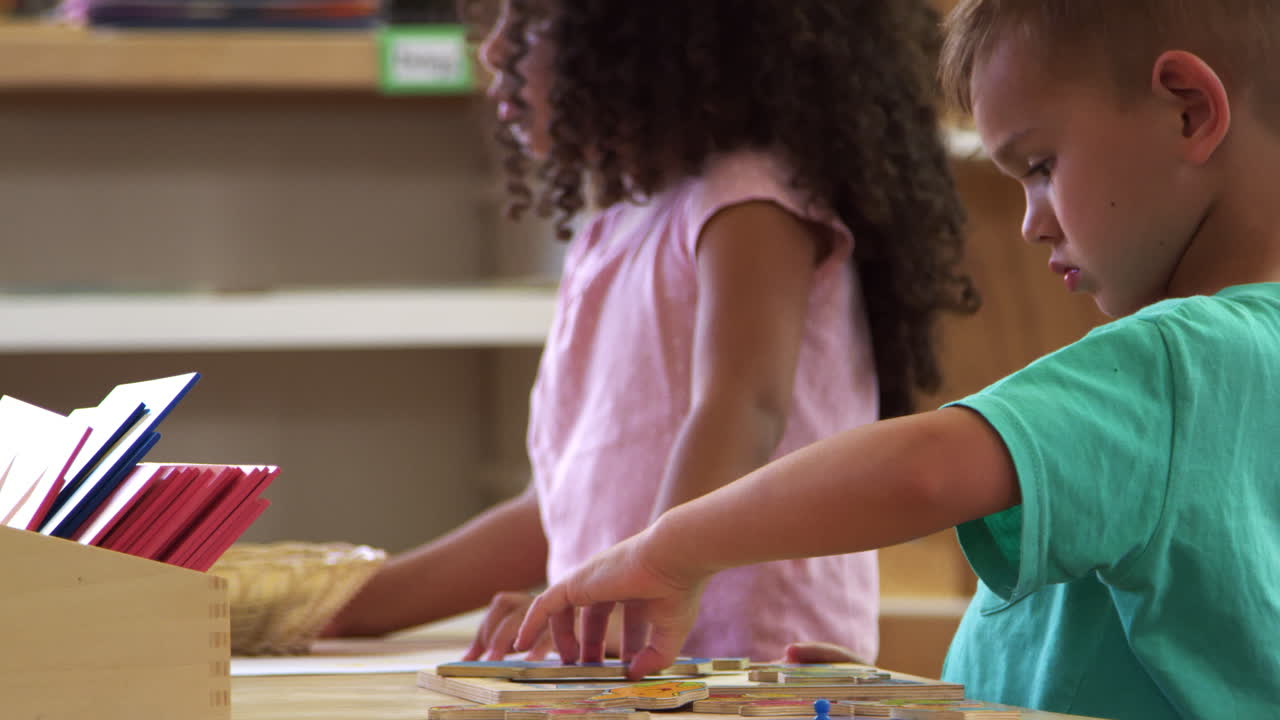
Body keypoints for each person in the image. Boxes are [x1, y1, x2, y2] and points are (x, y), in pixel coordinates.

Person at [510, 1, 1280, 718]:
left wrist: (670, 549)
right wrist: (923, 700)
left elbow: (925, 471)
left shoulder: (1179, 359)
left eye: (1040, 166)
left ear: (1189, 108)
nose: (1029, 225)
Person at [324, 0, 977, 664]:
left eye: (528, 24)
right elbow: (555, 507)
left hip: (751, 667)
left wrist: (636, 591)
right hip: (631, 664)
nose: (492, 53)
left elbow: (744, 408)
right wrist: (346, 608)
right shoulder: (610, 234)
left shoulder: (749, 199)